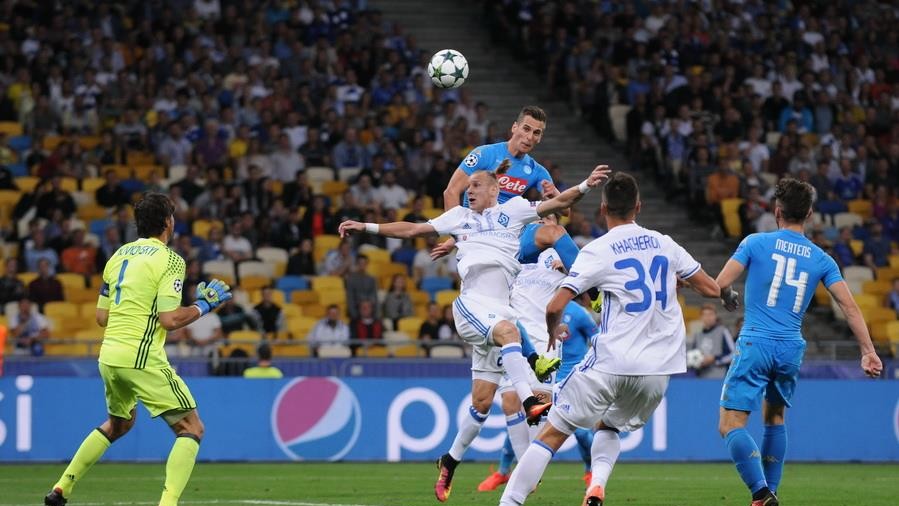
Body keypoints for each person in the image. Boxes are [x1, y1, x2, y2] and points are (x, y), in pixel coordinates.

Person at [339, 162, 610, 503]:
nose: (469, 191)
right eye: (468, 187)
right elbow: (411, 230)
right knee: (511, 336)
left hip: (499, 313)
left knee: (481, 403)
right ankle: (529, 400)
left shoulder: (514, 212)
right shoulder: (459, 218)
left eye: (476, 186)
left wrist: (586, 184)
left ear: (495, 190)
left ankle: (450, 460)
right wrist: (366, 226)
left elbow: (557, 204)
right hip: (472, 306)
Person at [498, 172, 726, 506]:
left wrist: (550, 330)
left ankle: (510, 502)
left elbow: (555, 306)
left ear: (603, 208)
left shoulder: (598, 250)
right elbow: (711, 288)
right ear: (639, 206)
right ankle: (596, 486)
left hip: (613, 361)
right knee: (609, 427)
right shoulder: (665, 243)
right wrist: (680, 280)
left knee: (552, 433)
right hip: (659, 369)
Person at [43, 193, 234, 506]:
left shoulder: (118, 256)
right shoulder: (171, 260)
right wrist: (204, 306)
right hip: (140, 356)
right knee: (191, 427)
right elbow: (170, 320)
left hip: (109, 356)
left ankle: (61, 489)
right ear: (168, 222)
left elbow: (101, 317)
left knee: (119, 423)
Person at [714, 178, 882, 506]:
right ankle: (772, 492)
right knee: (775, 417)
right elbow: (849, 307)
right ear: (809, 215)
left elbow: (721, 282)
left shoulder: (755, 243)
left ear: (777, 211)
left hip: (756, 342)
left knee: (730, 423)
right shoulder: (822, 259)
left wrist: (728, 295)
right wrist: (868, 351)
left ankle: (761, 492)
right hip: (791, 348)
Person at [432, 105, 557, 259]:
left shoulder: (537, 171)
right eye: (526, 129)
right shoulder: (484, 154)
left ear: (540, 137)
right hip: (474, 238)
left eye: (536, 133)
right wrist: (457, 237)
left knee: (553, 230)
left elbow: (561, 208)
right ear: (514, 127)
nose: (530, 137)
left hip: (505, 241)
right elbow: (451, 191)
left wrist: (553, 199)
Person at [688, 304, 736, 379]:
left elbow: (734, 354)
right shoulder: (697, 335)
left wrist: (715, 359)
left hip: (720, 378)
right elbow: (693, 356)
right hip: (701, 379)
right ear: (701, 317)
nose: (708, 317)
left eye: (711, 314)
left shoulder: (722, 331)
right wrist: (698, 363)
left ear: (715, 316)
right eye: (705, 315)